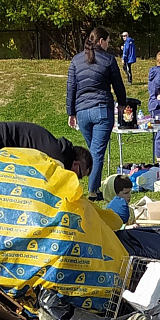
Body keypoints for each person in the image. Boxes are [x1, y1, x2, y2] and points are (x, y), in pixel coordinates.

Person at [67, 26, 127, 200]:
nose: (108, 45)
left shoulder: (76, 60)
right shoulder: (108, 60)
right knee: (96, 153)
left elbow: (71, 87)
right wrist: (122, 104)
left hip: (82, 112)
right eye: (108, 42)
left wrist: (71, 112)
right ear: (101, 41)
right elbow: (118, 85)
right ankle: (93, 191)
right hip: (101, 110)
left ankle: (94, 187)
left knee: (93, 151)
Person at [0, 120, 93, 177]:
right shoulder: (59, 158)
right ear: (76, 163)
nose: (77, 179)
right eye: (80, 175)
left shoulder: (57, 149)